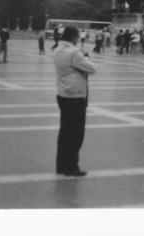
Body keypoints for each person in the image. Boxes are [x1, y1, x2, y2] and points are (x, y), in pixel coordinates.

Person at [53, 26, 96, 177]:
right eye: (77, 37)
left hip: (62, 94)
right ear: (73, 37)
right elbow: (92, 69)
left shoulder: (58, 50)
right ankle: (71, 166)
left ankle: (61, 165)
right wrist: (85, 58)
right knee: (76, 134)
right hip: (75, 96)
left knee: (64, 132)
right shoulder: (74, 52)